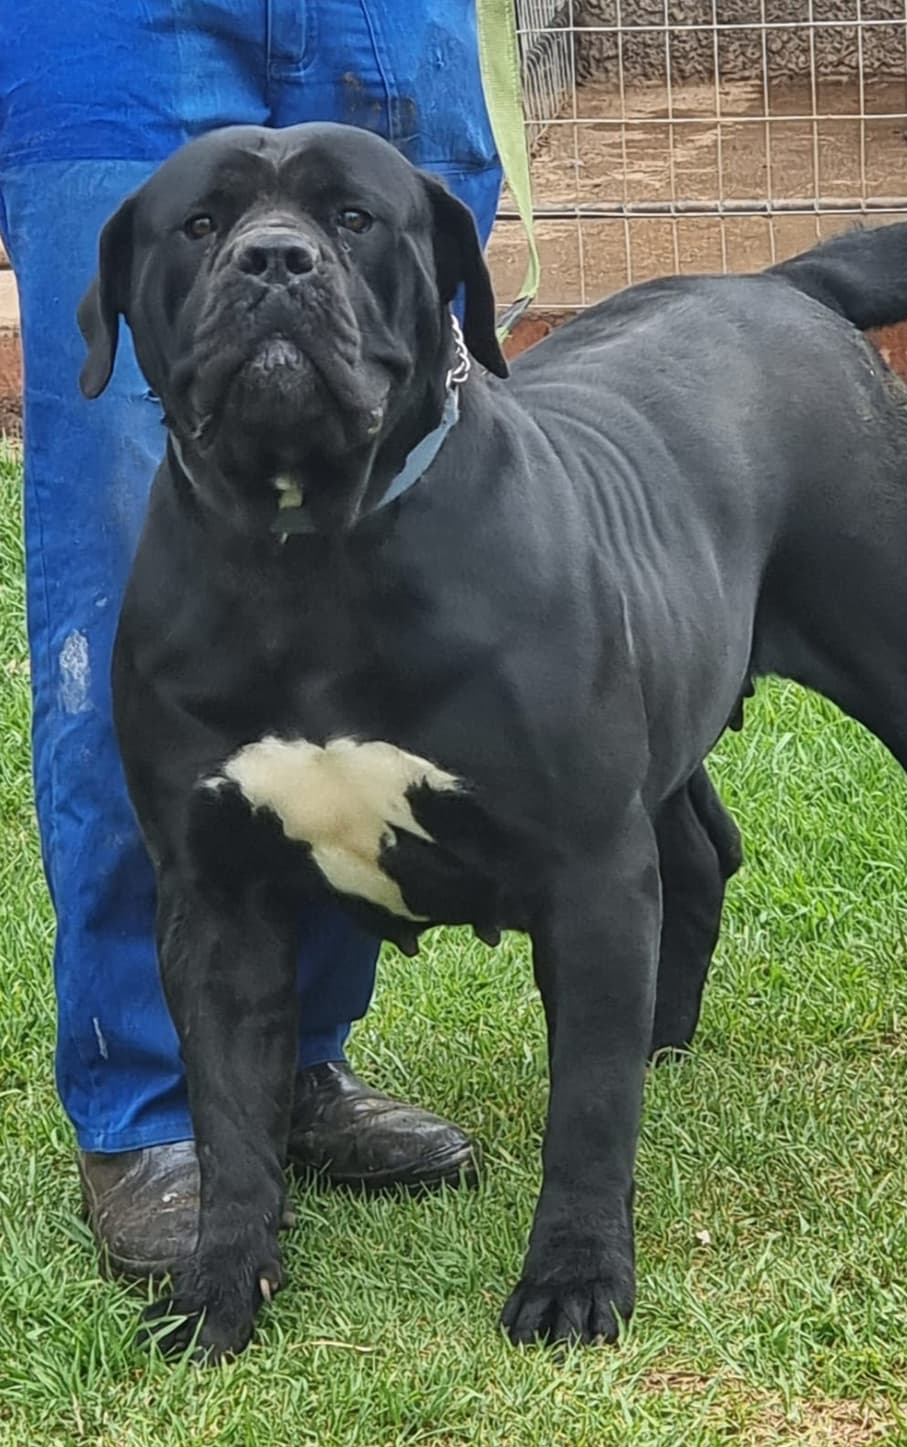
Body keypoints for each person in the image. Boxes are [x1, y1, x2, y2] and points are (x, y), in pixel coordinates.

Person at [0, 0, 503, 1278]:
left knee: (376, 526)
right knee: (132, 574)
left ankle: (294, 1058)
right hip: (107, 27)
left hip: (383, 24)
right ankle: (150, 1107)